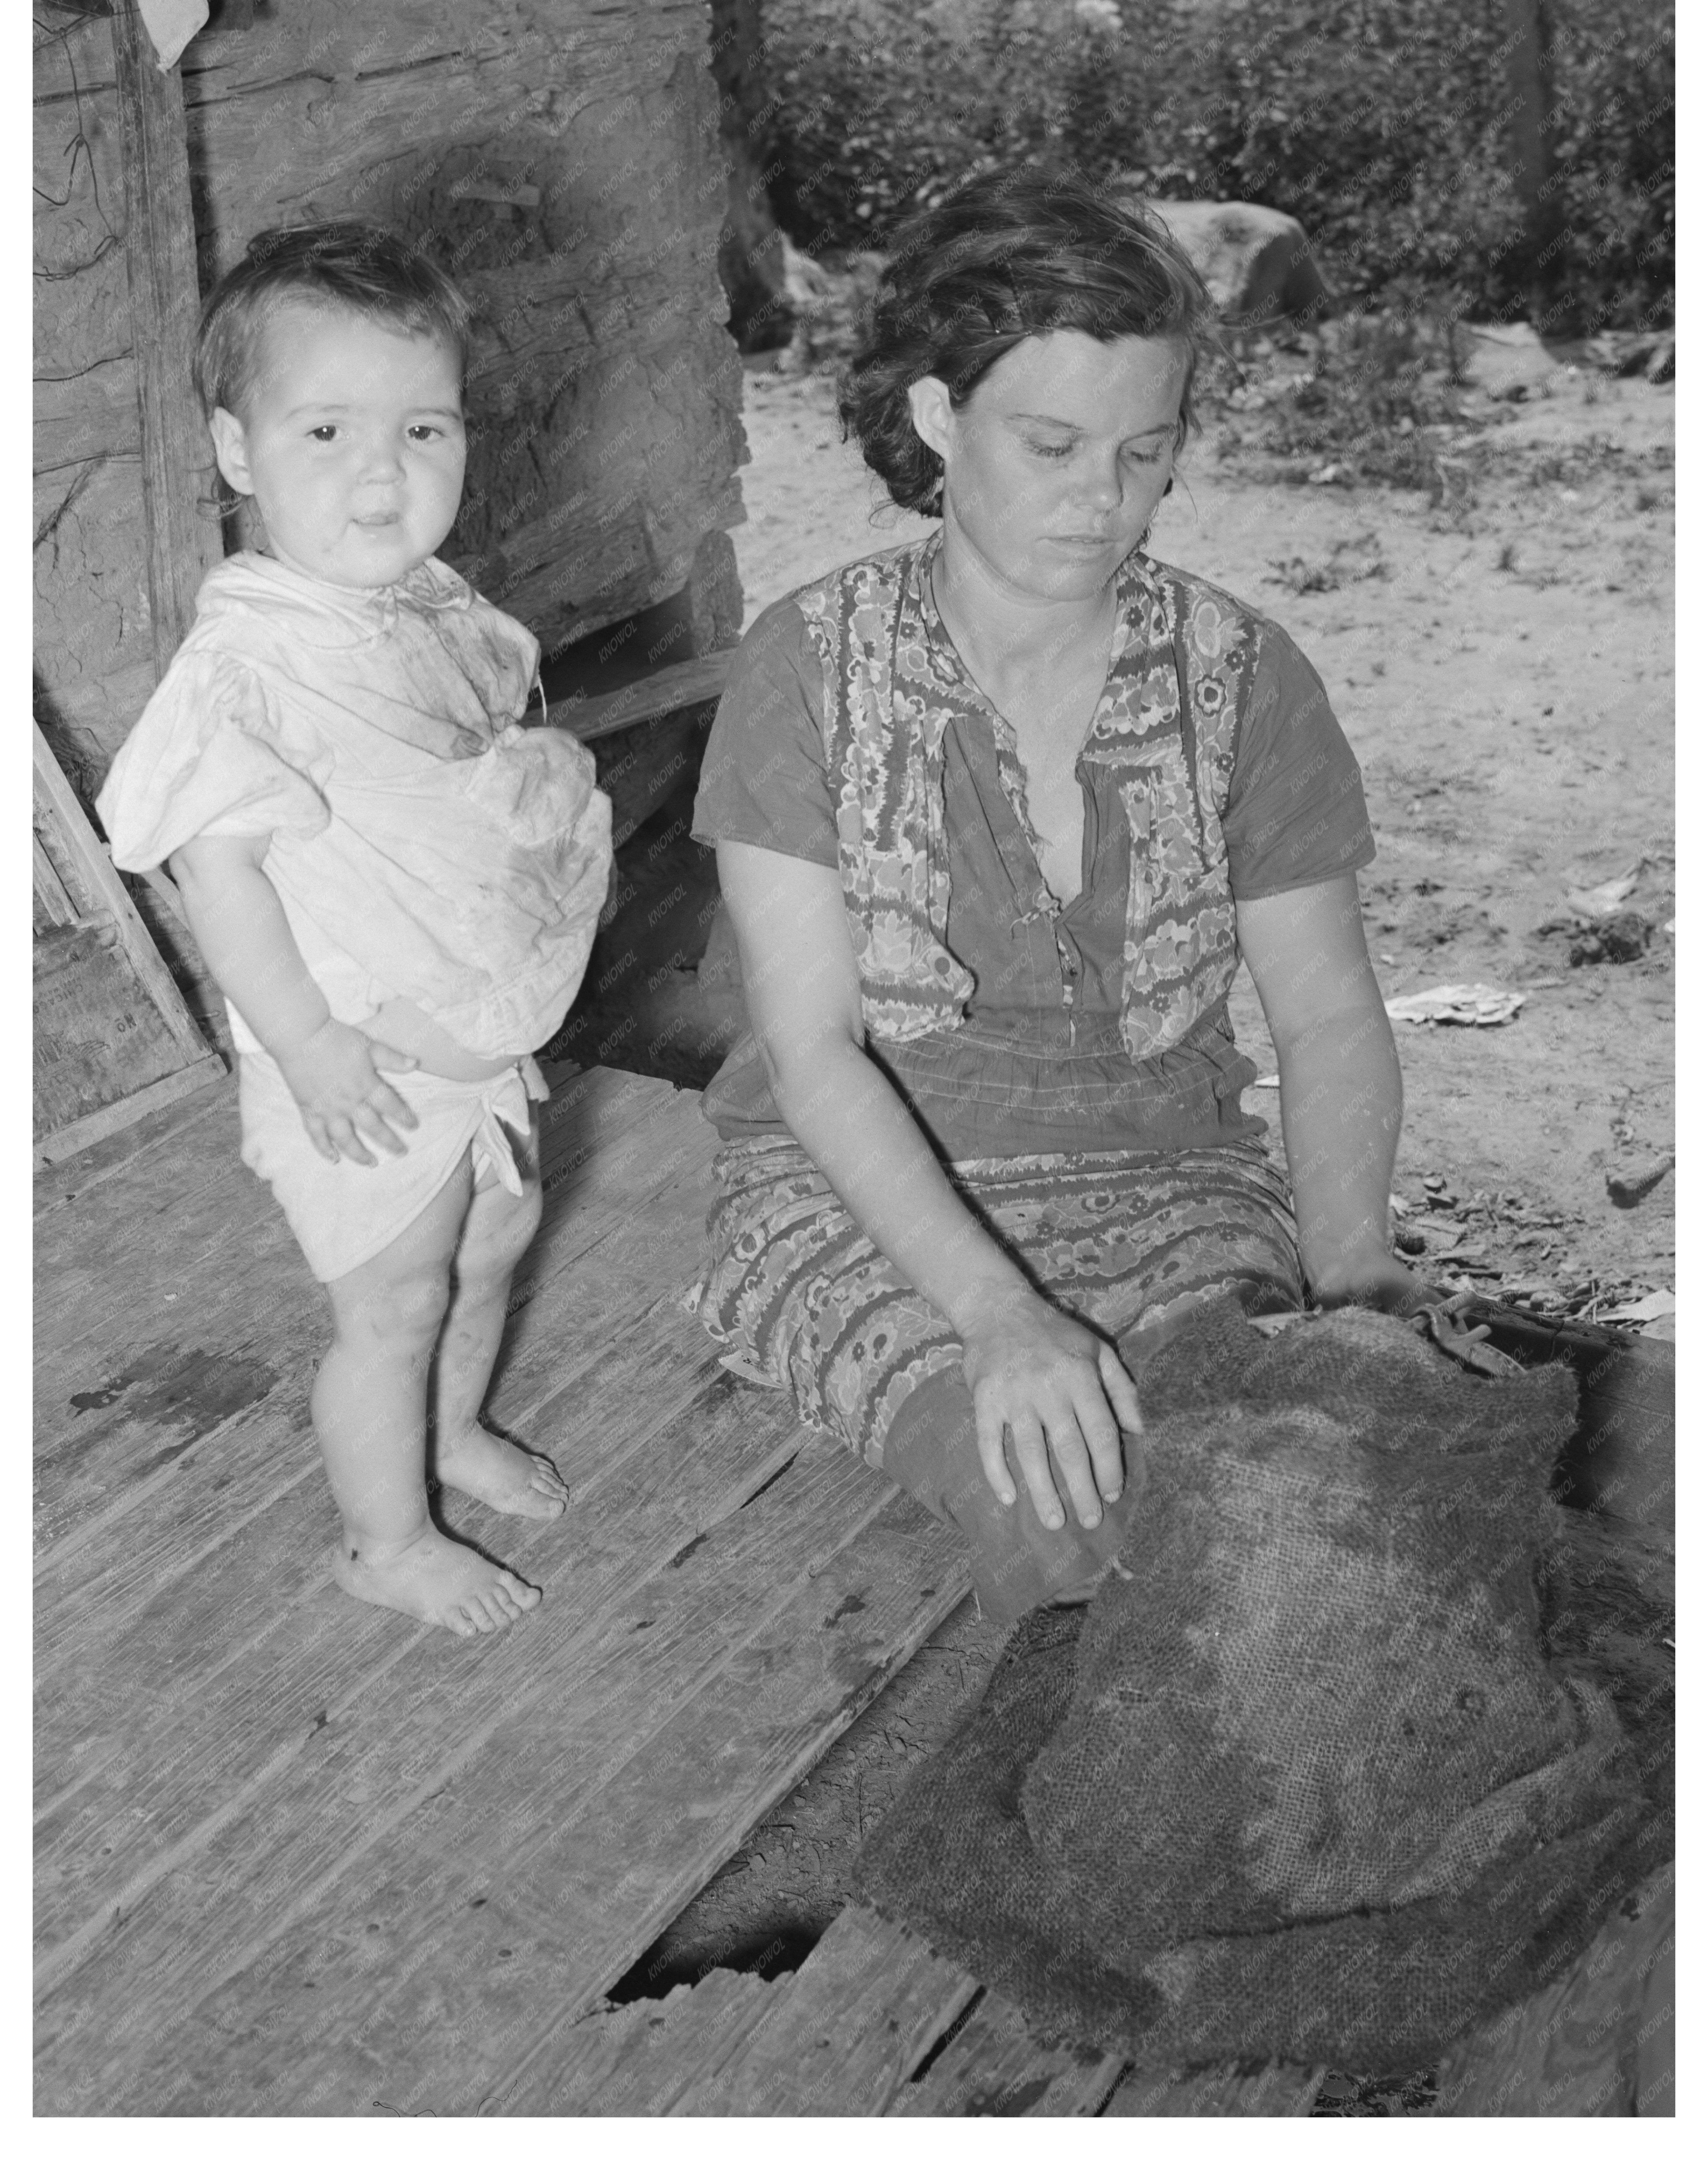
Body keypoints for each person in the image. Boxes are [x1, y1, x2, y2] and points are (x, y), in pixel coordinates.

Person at [690, 169, 1429, 1624]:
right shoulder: (808, 668)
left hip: (1167, 1172)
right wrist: (997, 1317)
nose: (1101, 503)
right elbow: (813, 1048)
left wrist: (1349, 1273)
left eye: (1143, 455)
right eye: (1049, 445)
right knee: (1072, 1519)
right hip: (860, 1191)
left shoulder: (1239, 674)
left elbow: (1329, 1016)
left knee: (1310, 1476)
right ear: (932, 421)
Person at [97, 224, 612, 1639]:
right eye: (325, 428)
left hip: (460, 1024)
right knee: (389, 1302)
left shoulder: (425, 606)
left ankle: (446, 1441)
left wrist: (540, 799)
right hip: (354, 1057)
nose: (383, 470)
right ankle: (382, 1542)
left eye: (422, 426)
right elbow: (221, 877)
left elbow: (464, 779)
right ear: (238, 450)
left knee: (497, 1241)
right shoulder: (247, 670)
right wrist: (312, 1048)